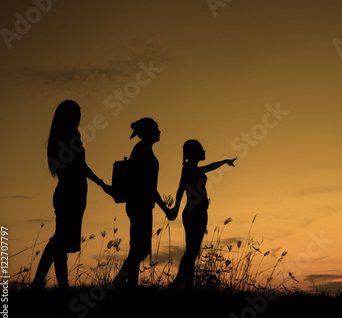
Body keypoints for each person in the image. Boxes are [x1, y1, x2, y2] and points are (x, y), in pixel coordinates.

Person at [31, 100, 111, 290]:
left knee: (62, 242)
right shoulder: (70, 136)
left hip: (70, 192)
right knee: (59, 240)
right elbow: (80, 166)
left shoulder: (63, 136)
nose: (80, 116)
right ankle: (37, 282)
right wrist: (100, 183)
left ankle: (62, 286)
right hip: (71, 194)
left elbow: (78, 166)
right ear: (69, 116)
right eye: (76, 112)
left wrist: (98, 183)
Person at [169, 139, 236, 290]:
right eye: (201, 149)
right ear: (194, 153)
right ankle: (181, 283)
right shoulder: (188, 168)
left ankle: (185, 284)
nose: (204, 151)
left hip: (199, 212)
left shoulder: (194, 168)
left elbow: (210, 167)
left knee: (192, 251)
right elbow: (180, 189)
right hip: (194, 213)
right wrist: (175, 209)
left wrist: (225, 161)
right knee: (192, 251)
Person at [114, 118, 173, 287]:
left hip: (140, 203)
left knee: (136, 249)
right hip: (141, 204)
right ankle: (115, 285)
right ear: (149, 132)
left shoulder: (142, 149)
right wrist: (165, 209)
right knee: (142, 249)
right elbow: (147, 185)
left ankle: (131, 287)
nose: (160, 132)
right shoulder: (143, 150)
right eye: (157, 129)